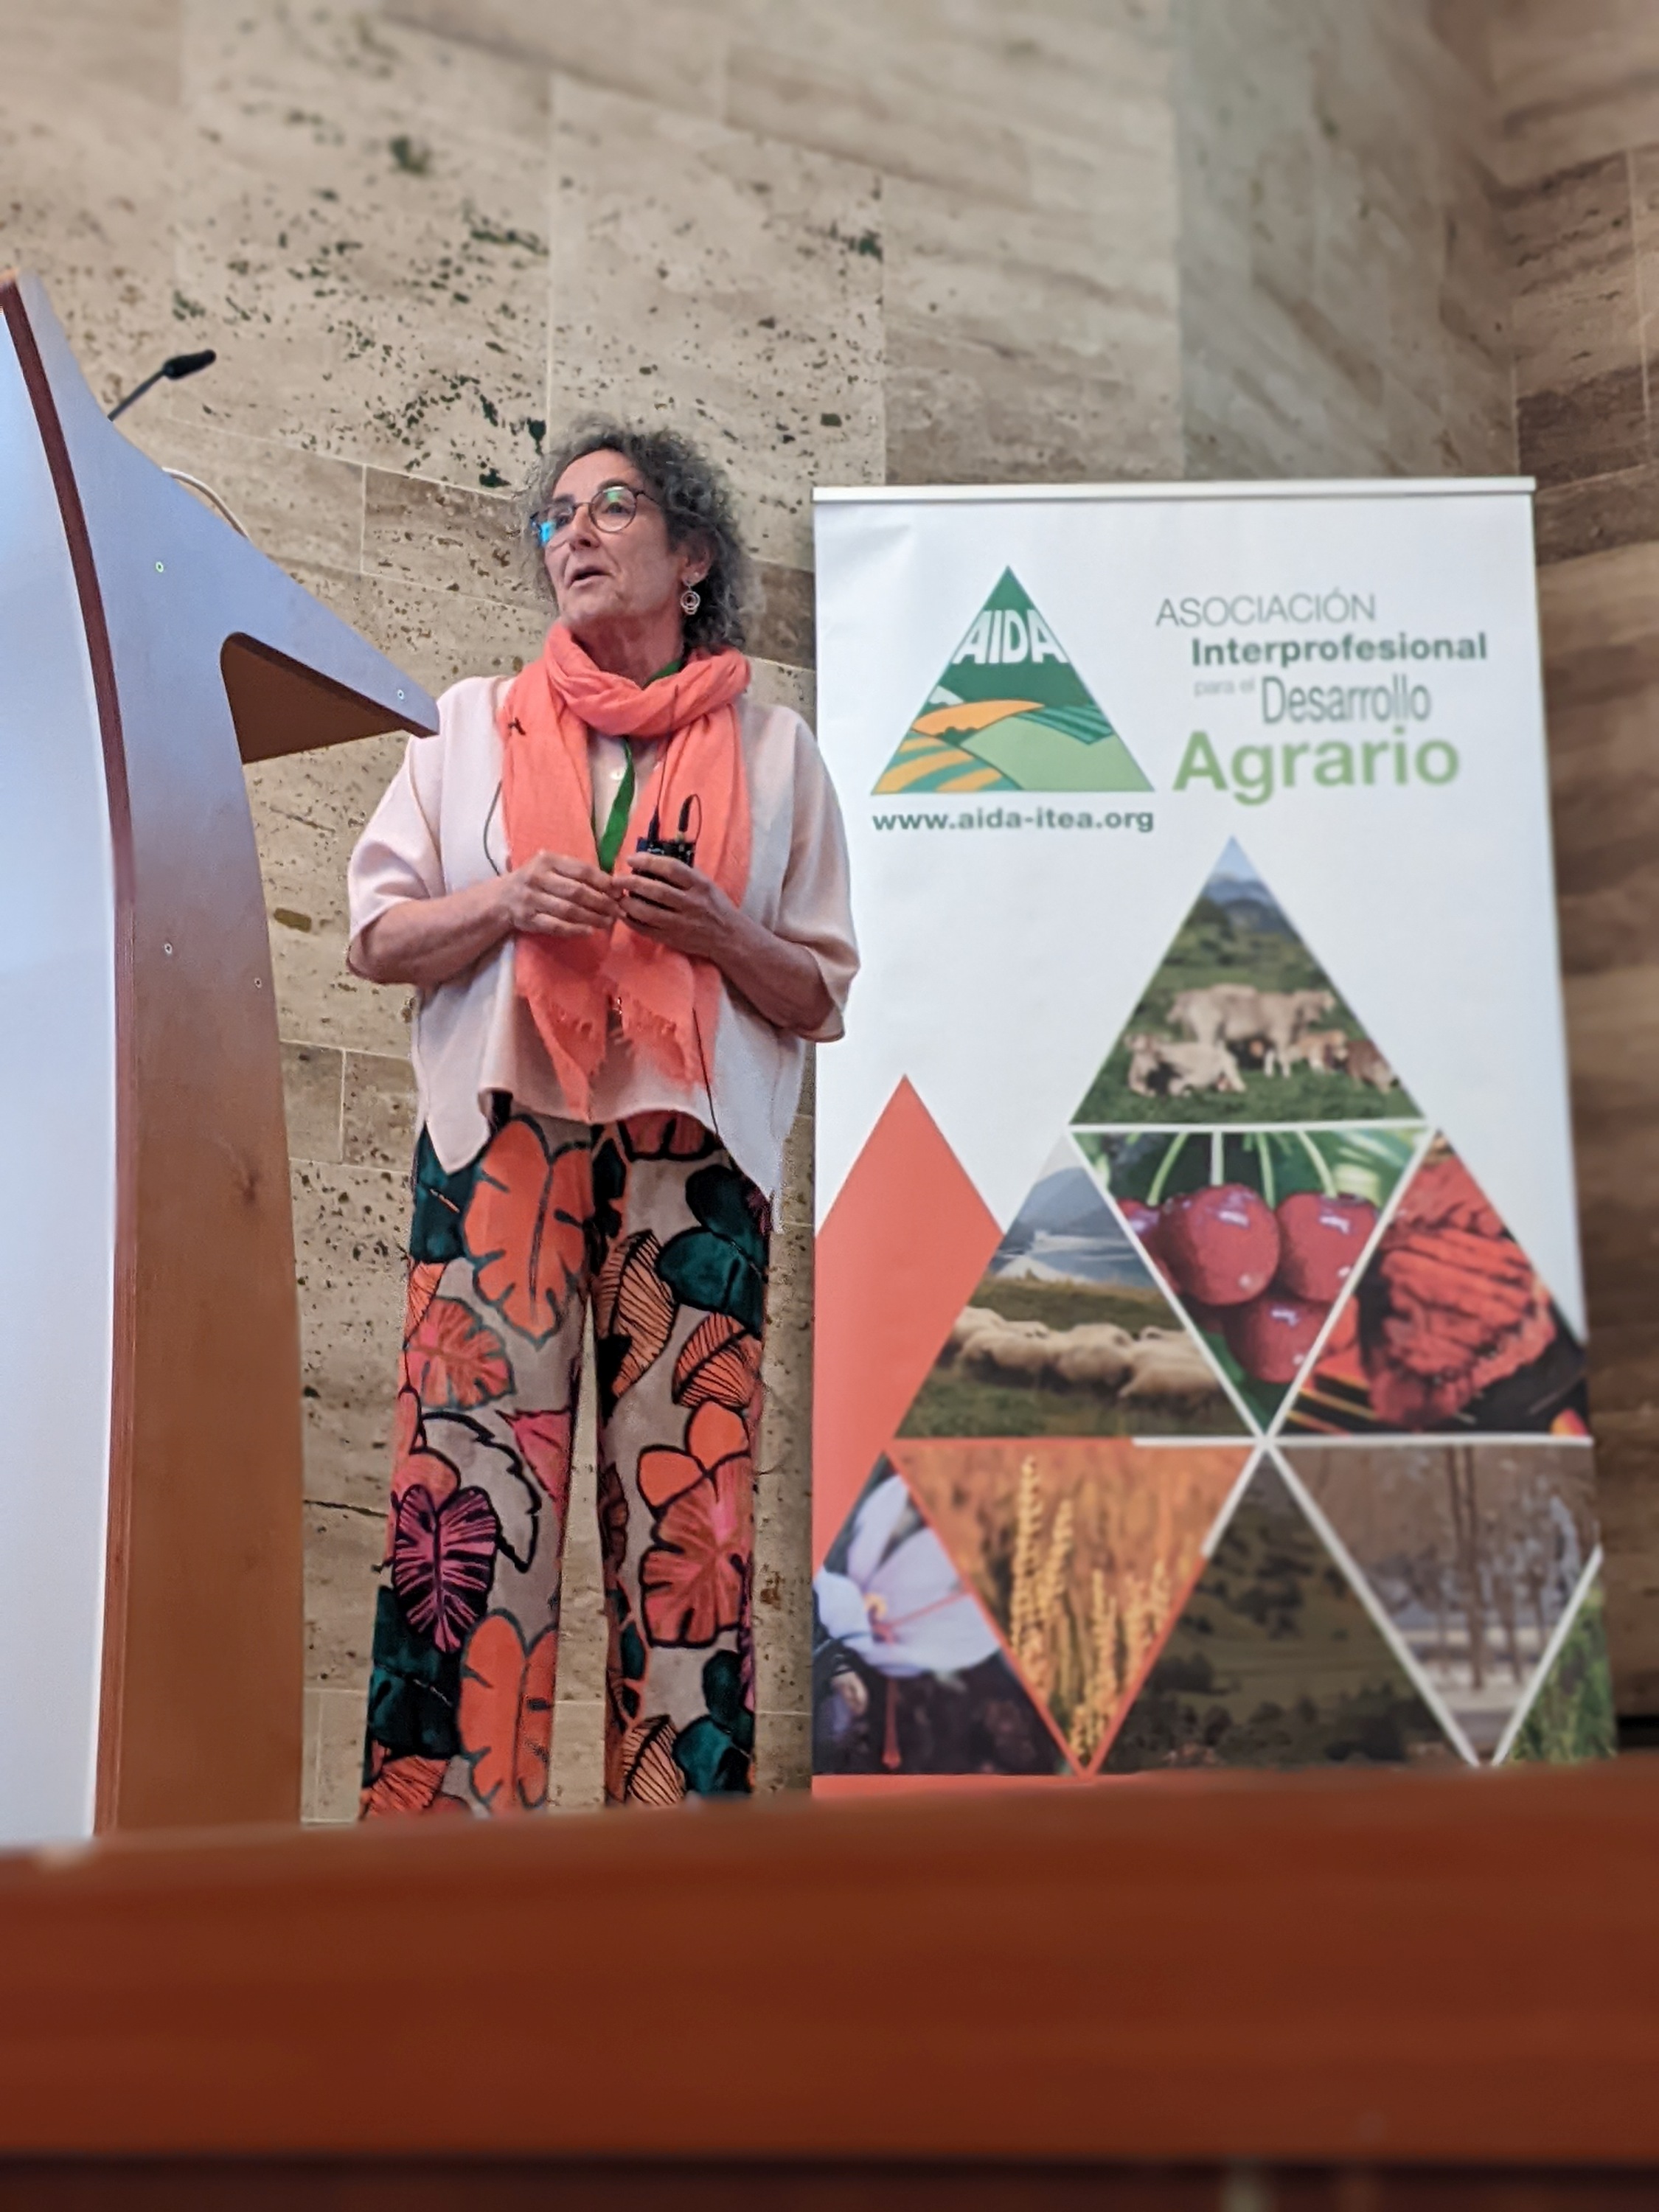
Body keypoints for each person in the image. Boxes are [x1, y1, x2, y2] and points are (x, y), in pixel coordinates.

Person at [347, 417, 857, 1815]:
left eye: (612, 507)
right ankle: (443, 1884)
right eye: (555, 516)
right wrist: (508, 902)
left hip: (694, 1170)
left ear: (693, 557)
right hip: (500, 1149)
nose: (572, 532)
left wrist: (719, 934)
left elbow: (819, 993)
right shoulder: (467, 727)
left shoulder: (776, 751)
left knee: (689, 1528)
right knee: (463, 1514)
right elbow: (377, 935)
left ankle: (674, 1890)